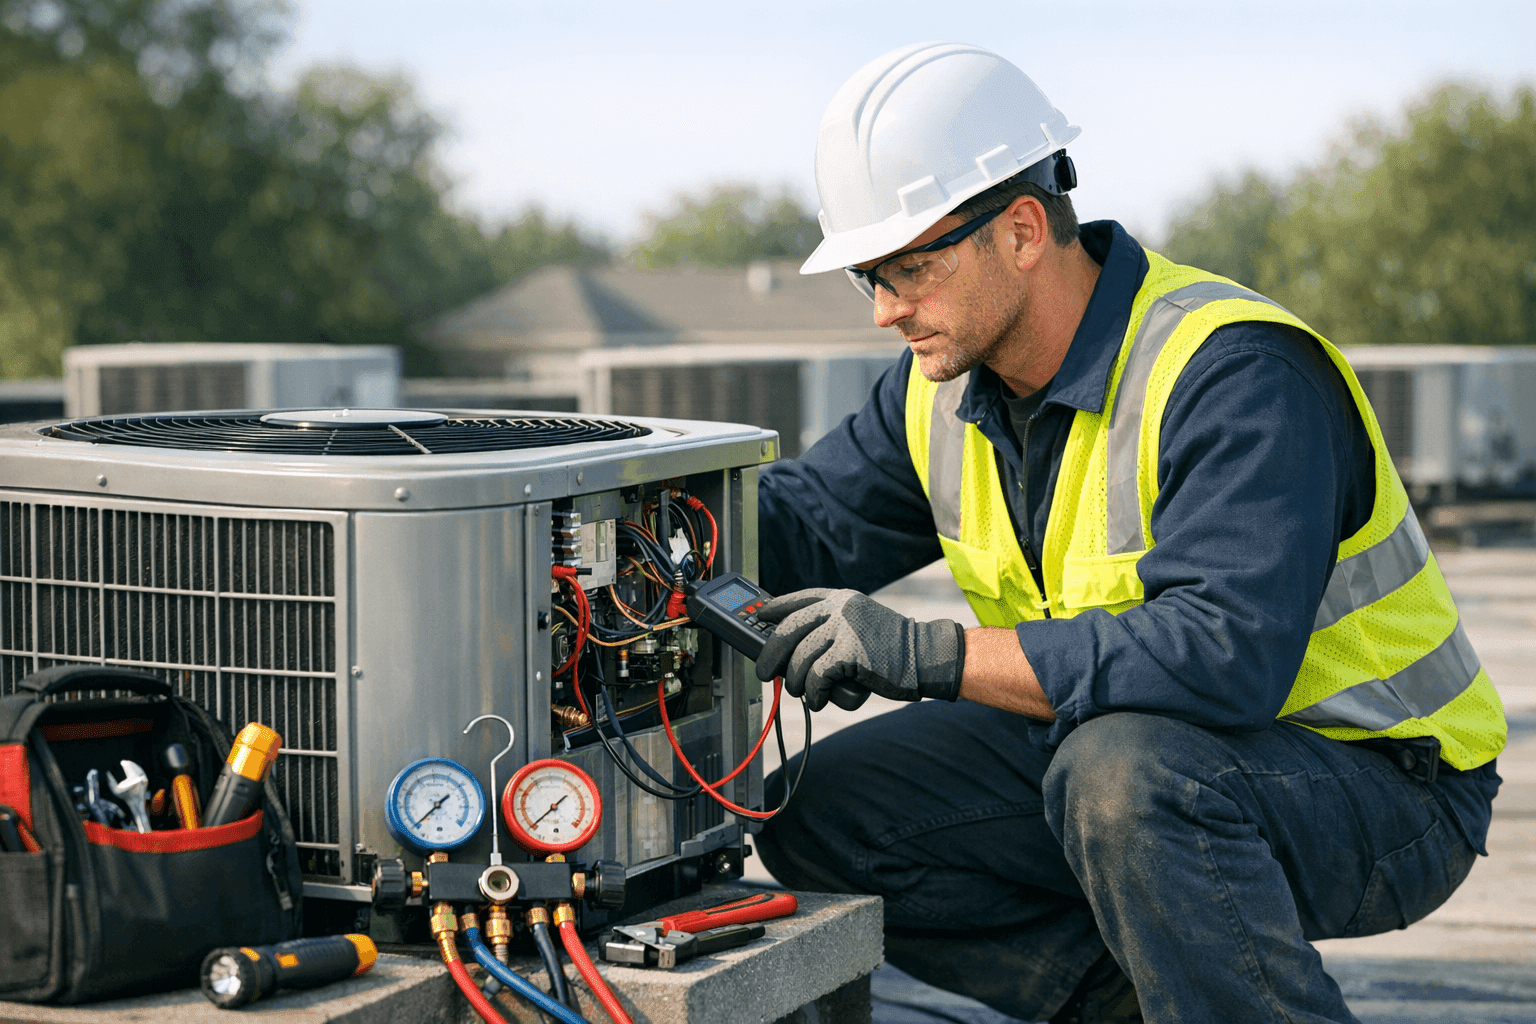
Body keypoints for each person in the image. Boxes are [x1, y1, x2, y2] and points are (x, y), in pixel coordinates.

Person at [750, 41, 1507, 1024]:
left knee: (1123, 774)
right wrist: (625, 525)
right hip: (1127, 749)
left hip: (1387, 786)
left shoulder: (1232, 371)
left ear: (1022, 229)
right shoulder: (935, 394)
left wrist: (929, 653)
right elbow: (801, 523)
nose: (890, 308)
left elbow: (1221, 656)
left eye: (910, 267)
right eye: (870, 278)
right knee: (820, 807)